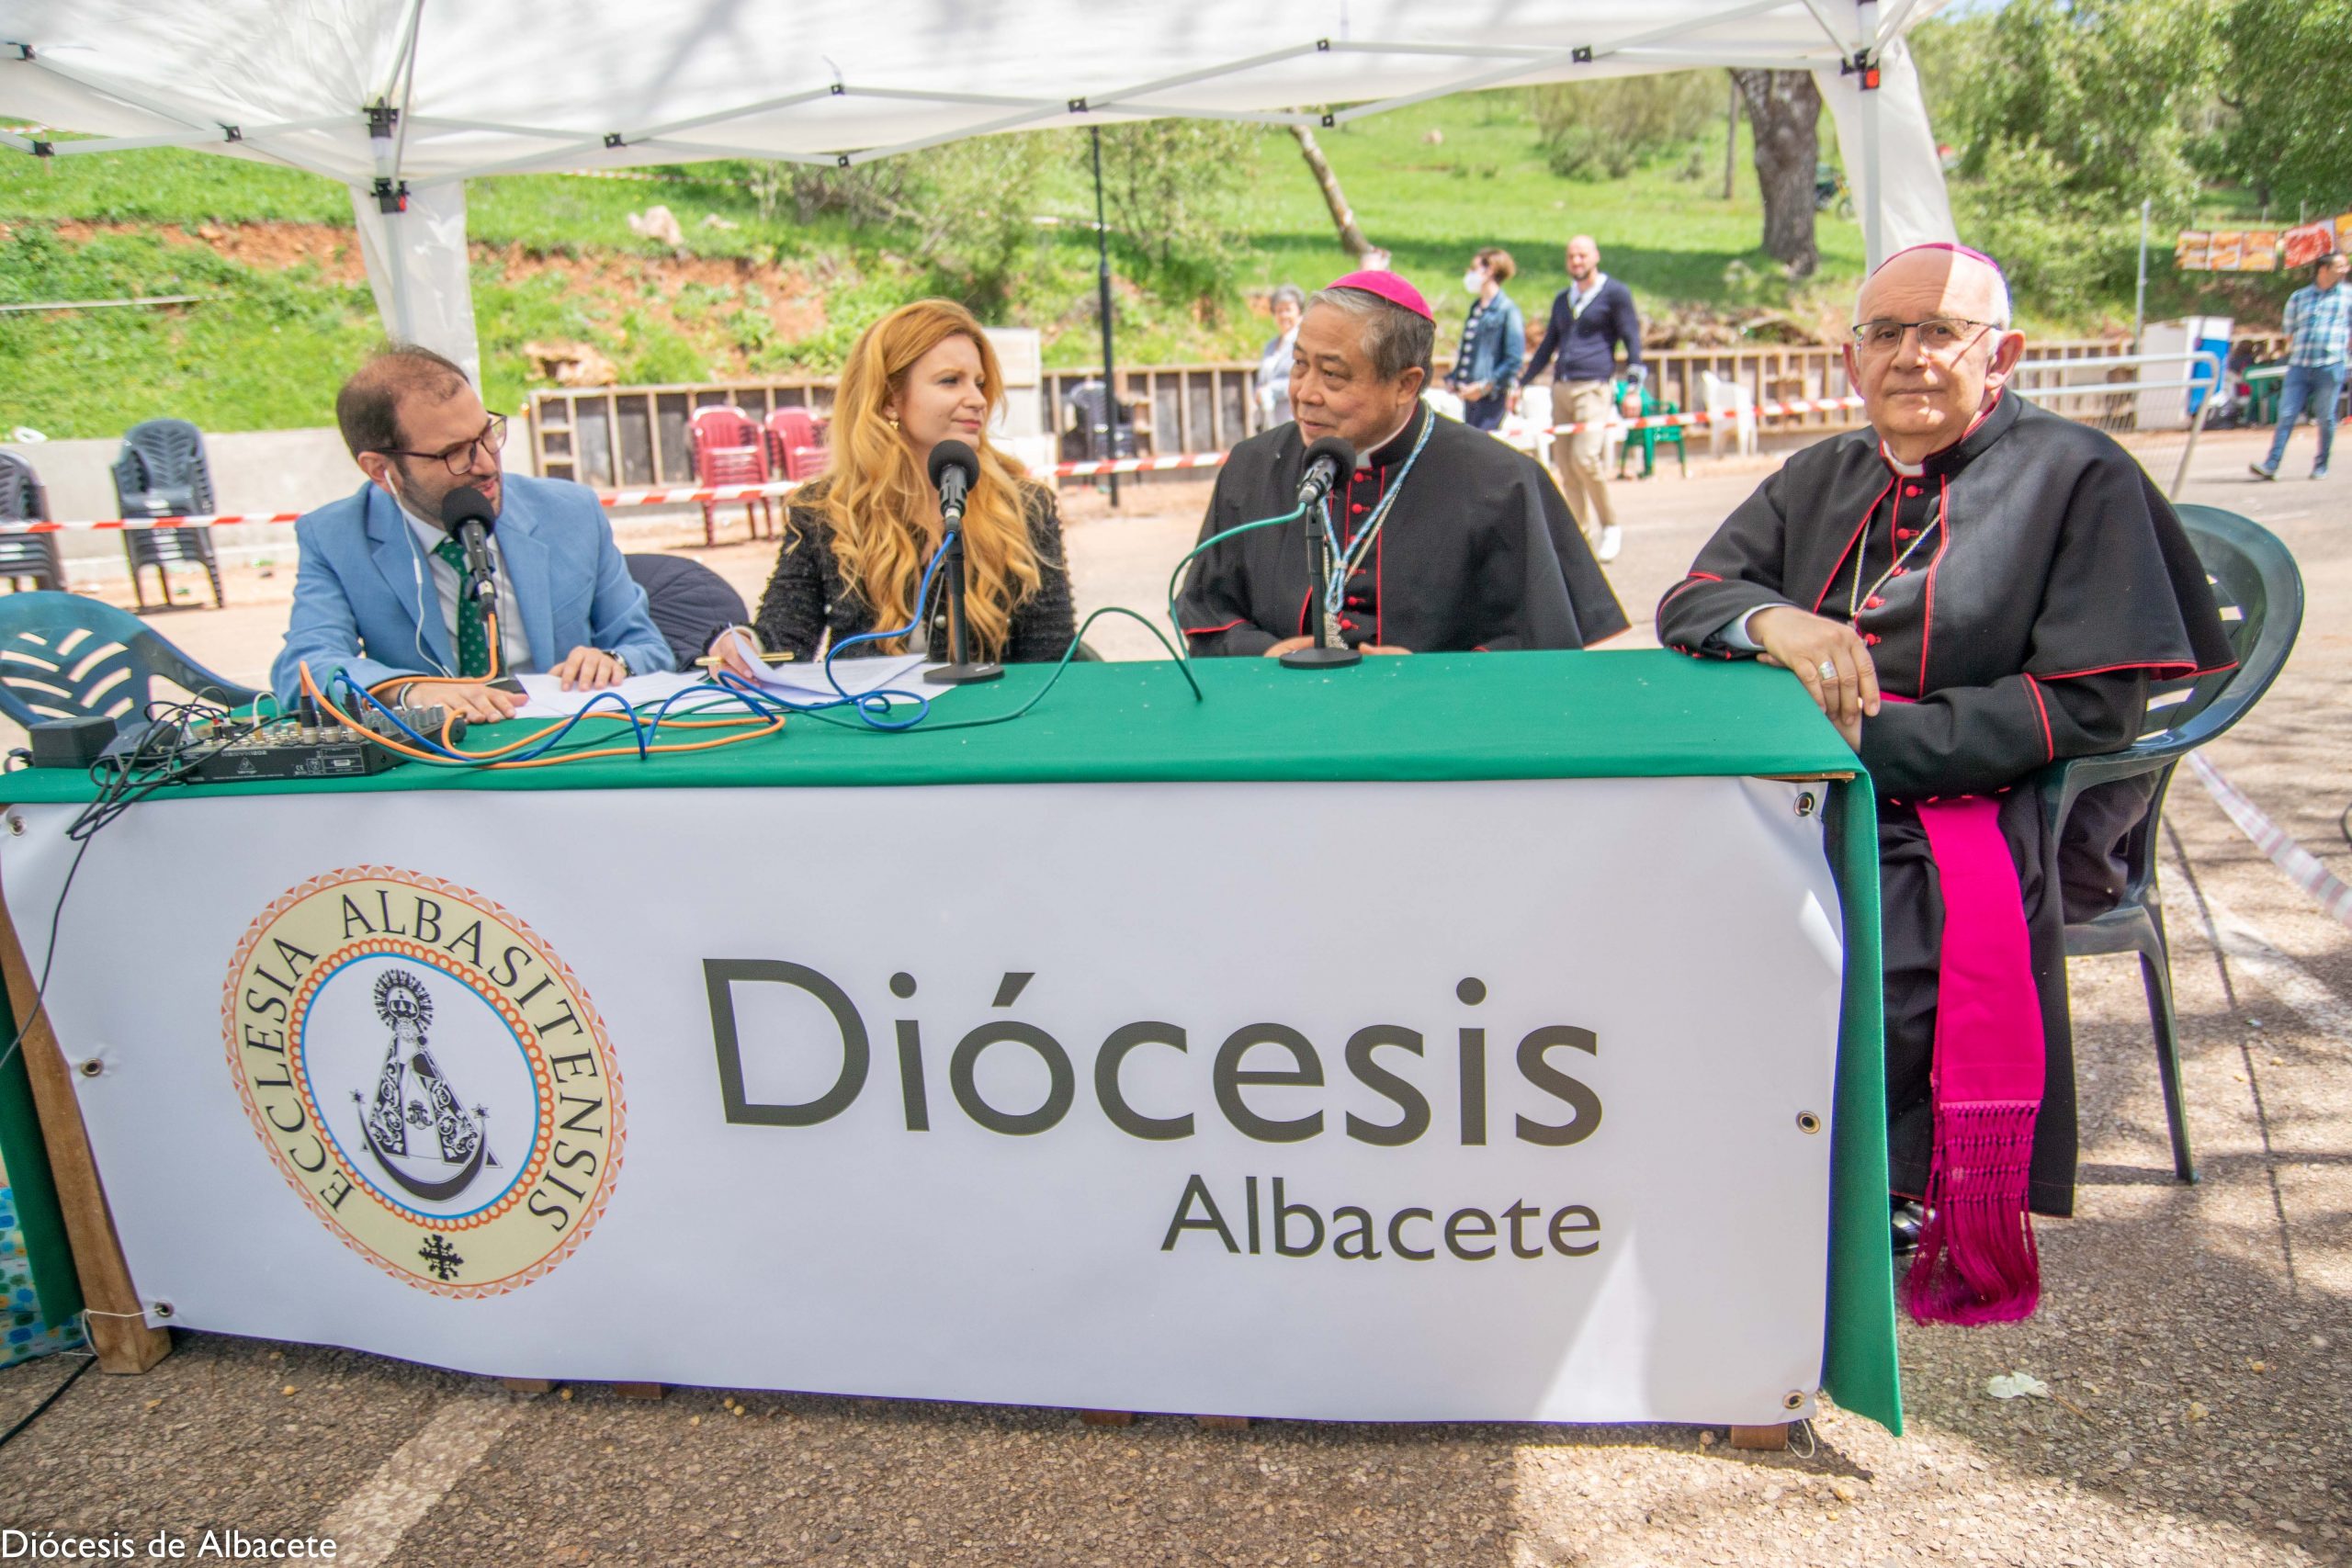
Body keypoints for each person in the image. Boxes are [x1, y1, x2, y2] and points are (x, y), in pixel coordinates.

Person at [1656, 243, 2233, 1325]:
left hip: (1994, 796)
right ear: (1851, 358)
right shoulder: (1821, 474)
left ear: (2000, 354)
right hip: (1817, 779)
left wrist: (1880, 749)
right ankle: (1718, 1157)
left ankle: (1881, 1186)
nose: (1909, 356)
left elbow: (2089, 705)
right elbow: (1692, 599)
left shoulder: (2078, 474)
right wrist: (1772, 620)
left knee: (1876, 908)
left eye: (1939, 332)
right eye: (1885, 332)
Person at [1176, 271, 1626, 657]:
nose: (1306, 393)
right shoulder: (1253, 466)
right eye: (1299, 365)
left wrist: (1431, 678)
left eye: (1332, 374)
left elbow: (1543, 644)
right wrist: (1266, 652)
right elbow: (1206, 612)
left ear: (1405, 385)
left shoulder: (1502, 481)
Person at [271, 346, 672, 719]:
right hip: (439, 756)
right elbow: (302, 669)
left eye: (487, 434)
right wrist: (407, 691)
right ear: (381, 470)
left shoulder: (571, 512)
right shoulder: (335, 537)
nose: (486, 465)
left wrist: (614, 662)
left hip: (568, 738)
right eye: (453, 453)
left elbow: (648, 647)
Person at [709, 299, 1074, 671]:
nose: (978, 400)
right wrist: (743, 644)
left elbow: (1054, 662)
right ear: (888, 400)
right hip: (867, 709)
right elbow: (783, 642)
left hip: (992, 709)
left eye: (979, 384)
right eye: (950, 381)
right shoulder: (822, 511)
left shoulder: (1025, 506)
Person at [1521, 235, 1644, 563]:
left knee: (1585, 458)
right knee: (1566, 466)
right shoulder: (1564, 299)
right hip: (1562, 386)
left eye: (1582, 255)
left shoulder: (1615, 294)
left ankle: (1610, 525)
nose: (1576, 261)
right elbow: (1548, 345)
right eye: (1571, 256)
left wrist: (1634, 387)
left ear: (1596, 256)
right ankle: (1580, 538)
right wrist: (1523, 382)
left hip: (1594, 386)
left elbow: (1632, 339)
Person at [2250, 251, 2348, 481]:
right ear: (2323, 269)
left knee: (2325, 417)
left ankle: (2321, 465)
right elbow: (2289, 333)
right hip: (2299, 366)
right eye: (2340, 266)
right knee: (2286, 414)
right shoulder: (2299, 297)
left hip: (2330, 366)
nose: (2345, 270)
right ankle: (2271, 464)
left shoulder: (2347, 297)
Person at [1443, 247, 1525, 432]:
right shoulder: (1477, 307)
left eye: (1474, 269)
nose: (1470, 274)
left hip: (1490, 398)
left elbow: (1514, 359)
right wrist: (1455, 377)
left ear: (1490, 271)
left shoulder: (1507, 310)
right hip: (1470, 396)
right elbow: (1470, 350)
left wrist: (1484, 386)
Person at [1255, 285, 1306, 430]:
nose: (1283, 315)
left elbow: (1302, 378)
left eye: (1288, 310)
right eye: (1279, 311)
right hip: (1269, 419)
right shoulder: (1270, 346)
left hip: (1293, 418)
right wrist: (1258, 392)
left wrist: (1271, 390)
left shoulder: (1302, 341)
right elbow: (1261, 380)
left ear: (1299, 312)